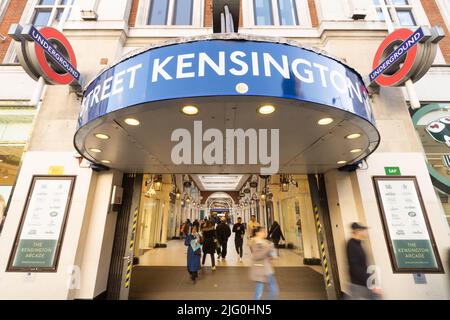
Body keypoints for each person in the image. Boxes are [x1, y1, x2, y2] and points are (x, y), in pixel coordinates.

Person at [346, 222, 381, 300]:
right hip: (358, 285)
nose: (365, 232)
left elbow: (363, 264)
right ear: (357, 231)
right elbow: (355, 267)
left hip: (363, 283)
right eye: (363, 230)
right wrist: (370, 282)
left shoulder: (359, 243)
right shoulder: (351, 244)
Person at [249, 226, 279, 300]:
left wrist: (272, 253)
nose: (264, 233)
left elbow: (271, 255)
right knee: (260, 293)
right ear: (257, 233)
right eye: (262, 231)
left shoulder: (265, 242)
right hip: (260, 270)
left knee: (272, 290)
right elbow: (257, 256)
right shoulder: (255, 242)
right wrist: (268, 248)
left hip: (267, 269)